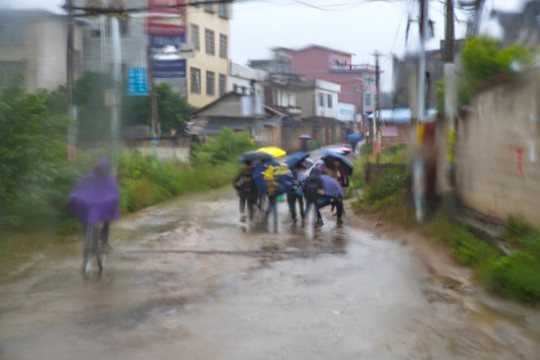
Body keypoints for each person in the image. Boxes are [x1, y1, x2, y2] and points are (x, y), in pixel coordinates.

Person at [67, 157, 120, 252]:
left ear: (106, 169)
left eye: (103, 168)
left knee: (107, 219)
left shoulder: (109, 179)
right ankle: (88, 238)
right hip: (90, 202)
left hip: (103, 204)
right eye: (100, 168)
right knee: (84, 216)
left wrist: (112, 199)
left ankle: (104, 242)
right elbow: (80, 187)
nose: (101, 170)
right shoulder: (90, 177)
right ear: (97, 168)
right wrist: (75, 196)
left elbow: (114, 191)